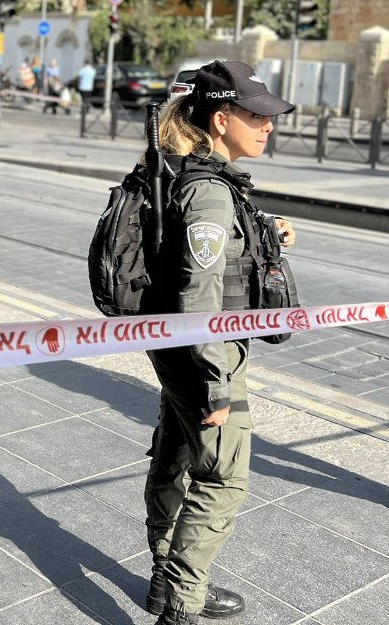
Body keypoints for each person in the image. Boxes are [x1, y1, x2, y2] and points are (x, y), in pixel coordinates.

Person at [143, 60, 296, 624]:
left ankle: (165, 576)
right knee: (222, 478)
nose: (267, 125)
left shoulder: (183, 172)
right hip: (205, 356)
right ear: (220, 116)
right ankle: (180, 606)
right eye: (255, 114)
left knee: (175, 455)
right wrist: (216, 385)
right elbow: (199, 298)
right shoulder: (210, 192)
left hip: (173, 349)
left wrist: (263, 229)